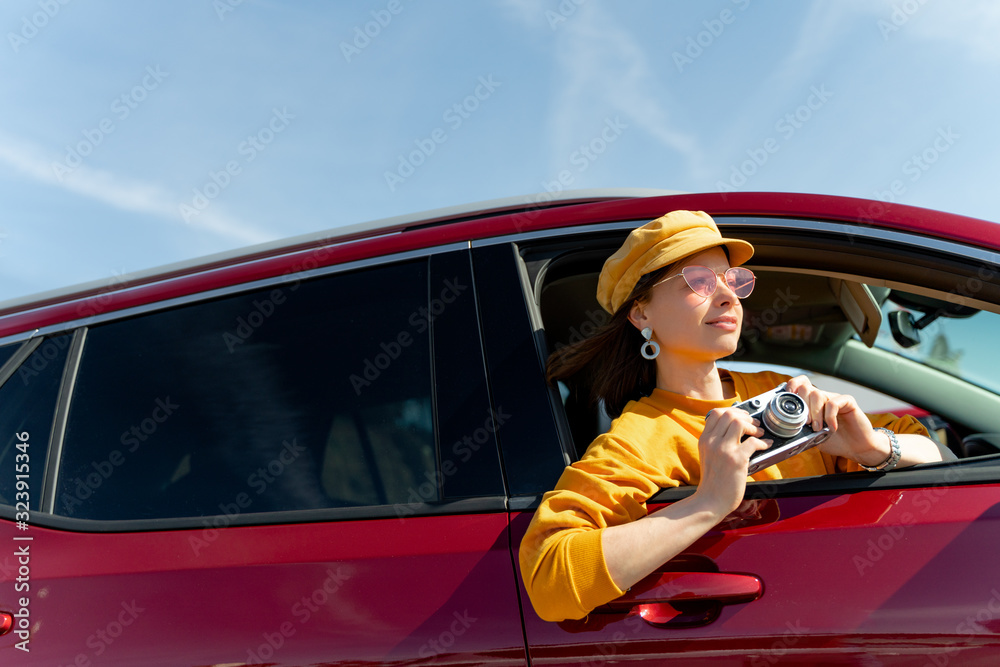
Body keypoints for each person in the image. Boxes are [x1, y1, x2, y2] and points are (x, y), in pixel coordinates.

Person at [519, 210, 953, 623]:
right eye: (699, 281)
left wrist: (872, 447)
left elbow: (932, 451)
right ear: (641, 312)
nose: (728, 295)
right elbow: (548, 578)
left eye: (734, 280)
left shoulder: (778, 389)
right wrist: (708, 504)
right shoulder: (640, 438)